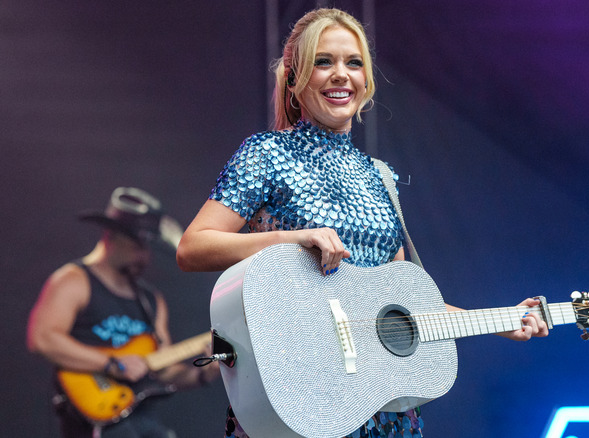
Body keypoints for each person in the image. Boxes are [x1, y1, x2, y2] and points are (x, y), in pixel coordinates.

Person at [175, 8, 549, 438]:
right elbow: (192, 248)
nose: (341, 74)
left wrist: (500, 322)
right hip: (302, 401)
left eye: (353, 63)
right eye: (323, 62)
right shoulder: (267, 154)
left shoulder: (381, 176)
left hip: (384, 406)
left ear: (367, 83)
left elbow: (401, 303)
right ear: (296, 78)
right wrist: (292, 239)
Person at [27, 187, 219, 438]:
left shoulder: (151, 300)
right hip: (92, 419)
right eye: (138, 244)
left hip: (142, 416)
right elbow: (43, 339)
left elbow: (165, 371)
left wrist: (206, 372)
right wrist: (112, 365)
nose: (144, 256)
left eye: (148, 247)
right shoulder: (73, 281)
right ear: (112, 236)